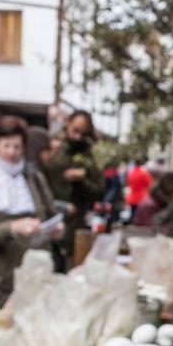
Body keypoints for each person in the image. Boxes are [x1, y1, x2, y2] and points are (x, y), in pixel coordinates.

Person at [0, 117, 62, 310]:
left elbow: (49, 213)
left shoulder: (34, 178)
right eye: (7, 146)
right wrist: (11, 228)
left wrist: (55, 229)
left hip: (35, 276)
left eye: (17, 147)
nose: (12, 153)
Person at [44, 110, 104, 268]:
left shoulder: (90, 157)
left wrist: (82, 180)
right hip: (49, 223)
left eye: (83, 133)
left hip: (75, 228)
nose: (78, 137)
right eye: (75, 131)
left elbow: (99, 191)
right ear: (68, 124)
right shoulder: (52, 148)